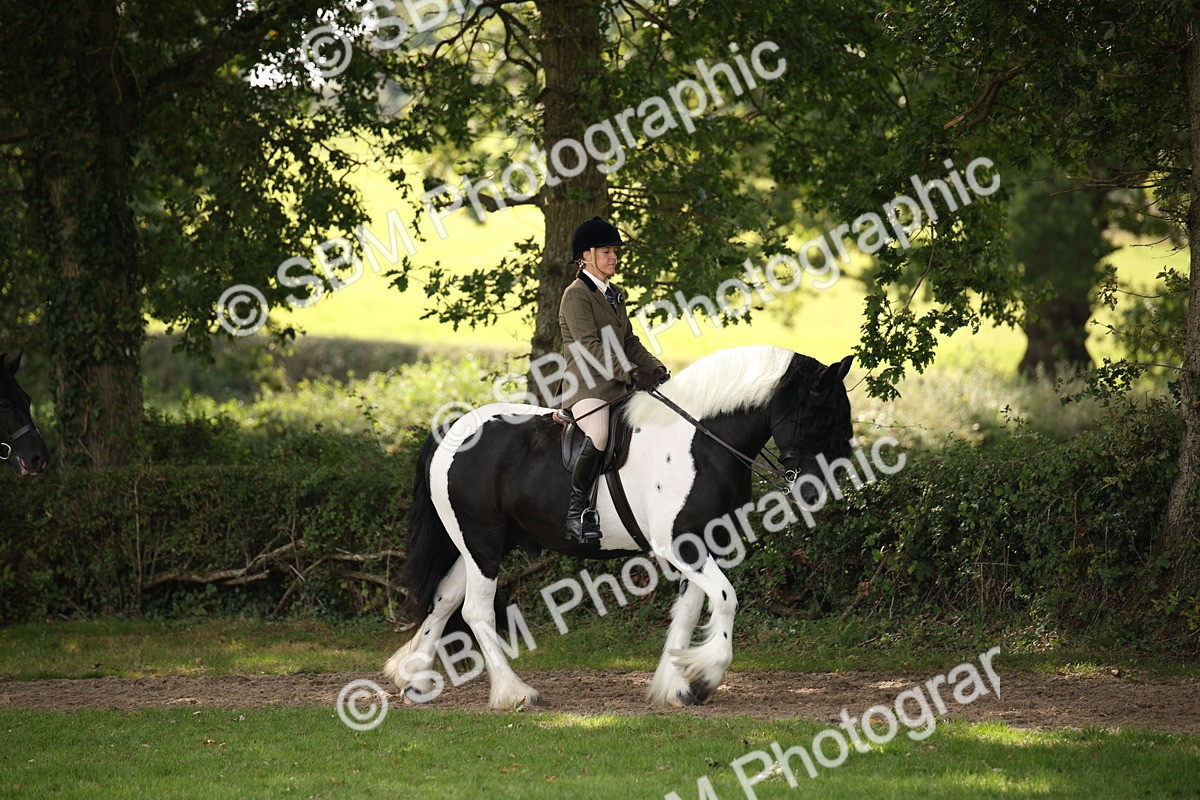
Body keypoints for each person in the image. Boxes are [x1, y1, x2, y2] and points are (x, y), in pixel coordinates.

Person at [558, 216, 669, 543]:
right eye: (606, 251)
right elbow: (589, 347)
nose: (614, 257)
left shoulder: (614, 294)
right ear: (586, 256)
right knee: (601, 434)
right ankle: (576, 513)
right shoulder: (575, 295)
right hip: (587, 386)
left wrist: (656, 368)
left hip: (619, 384)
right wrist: (633, 373)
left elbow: (630, 343)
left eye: (614, 251)